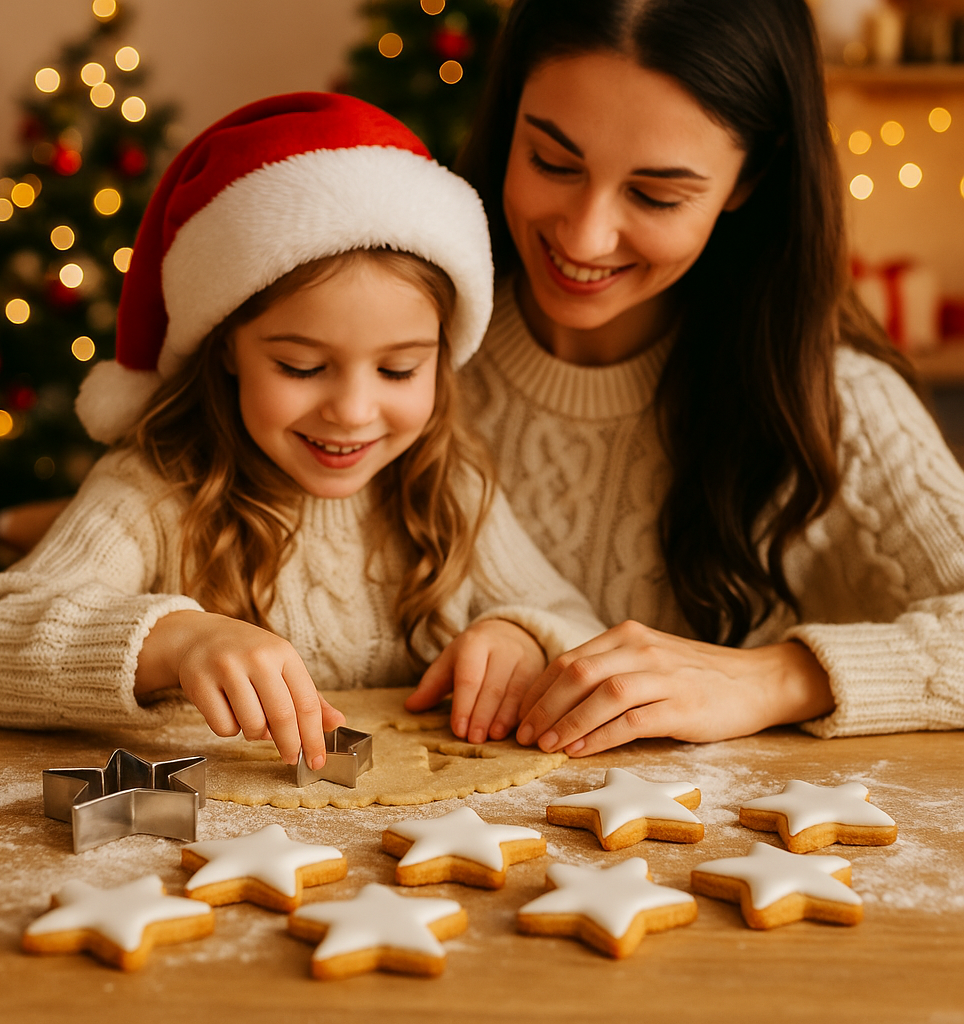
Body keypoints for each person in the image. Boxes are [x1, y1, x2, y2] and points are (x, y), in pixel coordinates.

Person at [0, 93, 605, 769]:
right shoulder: (154, 490)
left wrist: (522, 636)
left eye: (400, 370)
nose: (352, 410)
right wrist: (173, 642)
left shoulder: (450, 485)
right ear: (226, 345)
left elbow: (577, 623)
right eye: (302, 365)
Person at [406, 0, 964, 752]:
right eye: (552, 161)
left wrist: (770, 678)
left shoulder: (831, 401)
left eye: (656, 195)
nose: (585, 235)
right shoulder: (396, 353)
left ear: (749, 178)